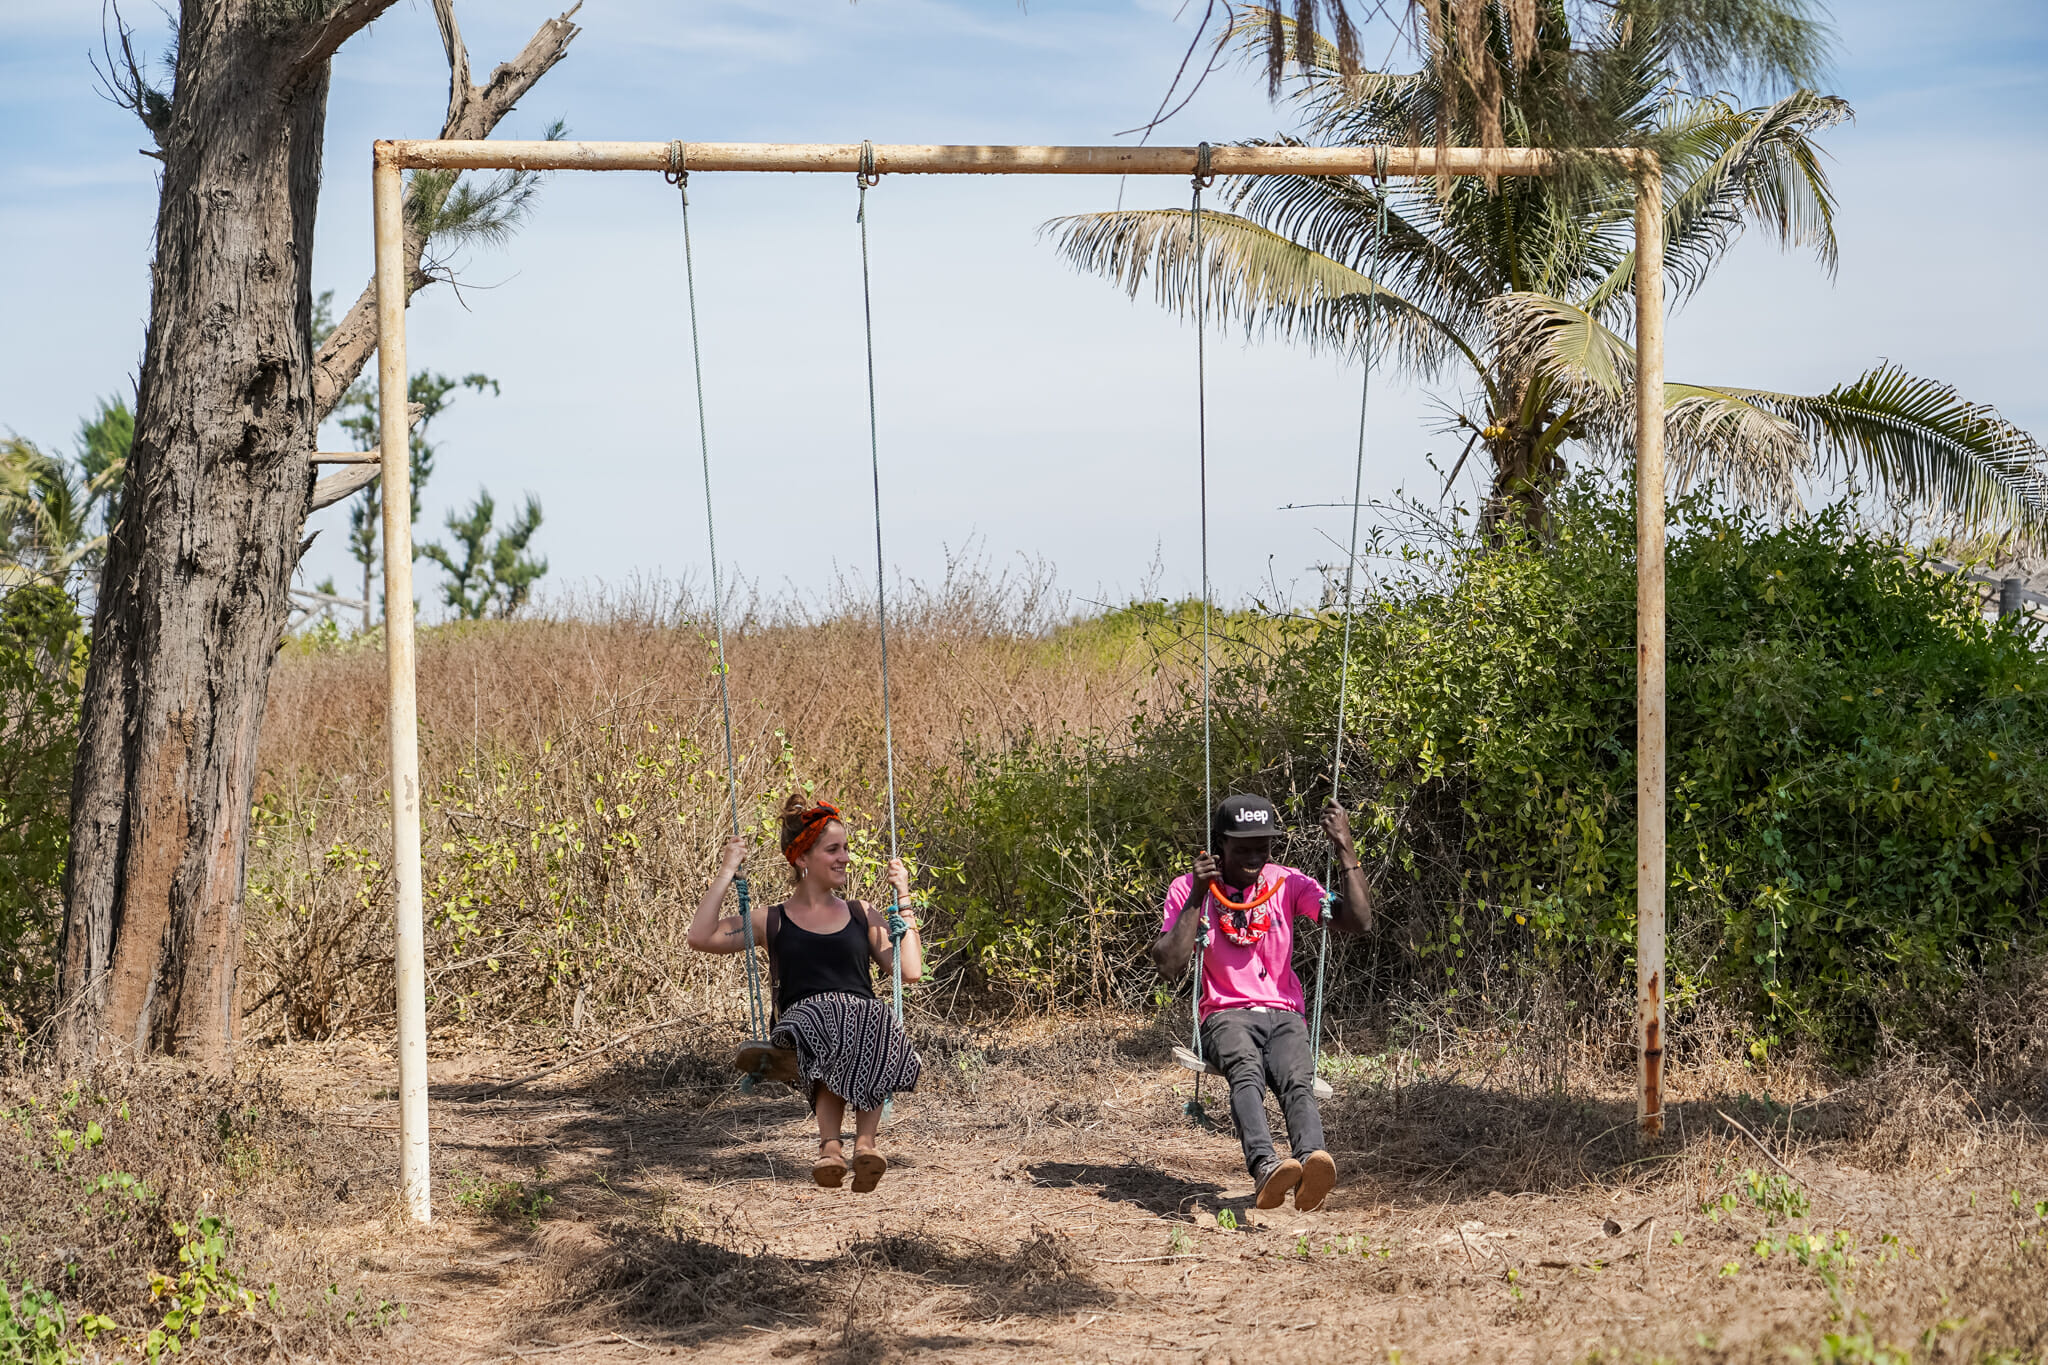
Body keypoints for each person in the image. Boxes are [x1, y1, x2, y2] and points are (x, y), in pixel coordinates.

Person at [687, 796, 923, 1192]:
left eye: (845, 848)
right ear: (802, 859)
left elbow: (911, 970)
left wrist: (903, 896)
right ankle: (829, 1144)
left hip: (861, 1020)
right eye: (833, 849)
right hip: (800, 1023)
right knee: (833, 1015)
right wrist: (728, 871)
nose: (845, 857)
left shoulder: (861, 913)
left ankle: (864, 1145)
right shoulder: (770, 920)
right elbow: (699, 937)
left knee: (869, 1015)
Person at [1154, 794, 1373, 1212]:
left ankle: (1312, 1162)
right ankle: (1266, 1168)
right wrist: (1199, 895)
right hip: (1225, 1013)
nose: (1255, 857)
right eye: (1243, 849)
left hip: (1283, 1012)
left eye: (1263, 847)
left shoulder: (1287, 882)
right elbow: (1169, 963)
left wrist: (1344, 846)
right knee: (1246, 1072)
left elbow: (1359, 922)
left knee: (1297, 1078)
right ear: (1220, 845)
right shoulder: (1189, 887)